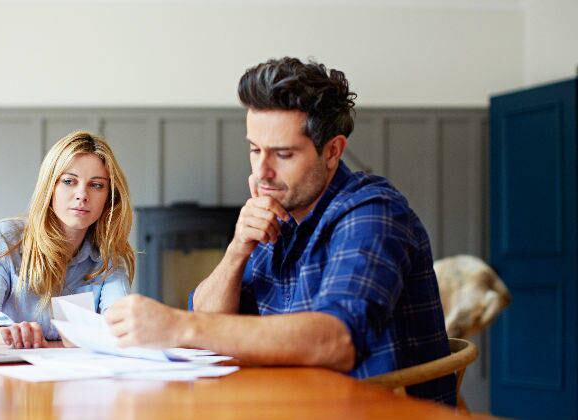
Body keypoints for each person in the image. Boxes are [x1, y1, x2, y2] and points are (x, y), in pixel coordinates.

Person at [104, 57, 455, 405]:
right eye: (255, 149)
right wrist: (238, 249)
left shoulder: (373, 212)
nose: (262, 171)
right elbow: (209, 317)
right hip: (290, 403)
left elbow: (336, 340)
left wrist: (178, 326)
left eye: (283, 154)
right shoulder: (279, 210)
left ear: (332, 151)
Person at [0, 131, 135, 349]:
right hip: (13, 365)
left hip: (76, 368)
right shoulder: (4, 239)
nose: (82, 195)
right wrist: (5, 333)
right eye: (69, 181)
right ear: (50, 186)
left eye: (96, 185)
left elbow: (120, 327)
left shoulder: (108, 255)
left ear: (109, 197)